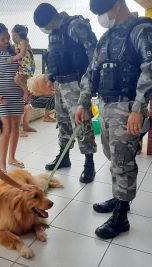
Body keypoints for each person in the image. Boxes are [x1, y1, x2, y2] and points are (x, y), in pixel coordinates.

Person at [75, 0, 152, 238]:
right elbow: (91, 72)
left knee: (123, 162)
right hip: (105, 106)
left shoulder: (142, 30)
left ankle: (121, 216)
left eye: (102, 12)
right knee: (112, 156)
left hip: (127, 108)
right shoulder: (106, 38)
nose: (100, 18)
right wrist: (83, 102)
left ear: (116, 6)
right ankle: (118, 198)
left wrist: (138, 107)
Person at [33, 3, 98, 183]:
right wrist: (51, 76)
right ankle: (64, 156)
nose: (45, 30)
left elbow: (94, 54)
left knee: (81, 122)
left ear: (52, 19)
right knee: (62, 122)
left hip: (76, 82)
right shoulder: (54, 32)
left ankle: (89, 163)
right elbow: (53, 56)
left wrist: (89, 85)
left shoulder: (76, 26)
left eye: (45, 26)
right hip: (60, 84)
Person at [0, 23, 25, 171]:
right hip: (2, 95)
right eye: (2, 37)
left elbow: (24, 67)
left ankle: (12, 158)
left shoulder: (14, 49)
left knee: (16, 127)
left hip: (17, 93)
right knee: (6, 129)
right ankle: (2, 163)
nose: (6, 39)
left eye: (7, 36)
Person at [8, 24, 36, 103]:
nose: (11, 37)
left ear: (16, 35)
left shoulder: (23, 42)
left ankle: (26, 92)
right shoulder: (16, 44)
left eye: (12, 35)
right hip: (23, 66)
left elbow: (22, 53)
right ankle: (27, 95)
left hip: (28, 66)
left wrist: (13, 58)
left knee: (17, 79)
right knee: (19, 80)